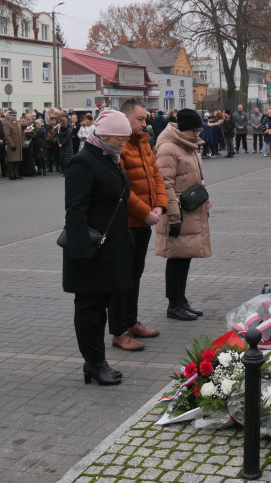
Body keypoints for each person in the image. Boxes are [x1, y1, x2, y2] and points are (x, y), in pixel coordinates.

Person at [61, 108, 134, 387]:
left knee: (102, 305)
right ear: (103, 135)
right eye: (119, 139)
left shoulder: (108, 157)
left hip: (109, 249)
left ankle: (97, 361)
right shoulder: (83, 162)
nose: (122, 144)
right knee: (90, 309)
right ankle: (94, 363)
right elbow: (75, 211)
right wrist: (81, 254)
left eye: (125, 139)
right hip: (89, 252)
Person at [110, 99, 168, 352]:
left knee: (135, 275)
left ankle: (131, 322)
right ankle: (119, 331)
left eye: (146, 119)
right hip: (126, 224)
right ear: (125, 119)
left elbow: (156, 175)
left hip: (144, 222)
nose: (145, 123)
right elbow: (122, 188)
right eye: (140, 119)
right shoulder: (119, 147)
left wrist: (159, 205)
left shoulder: (144, 143)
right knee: (121, 279)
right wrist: (146, 212)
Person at [155, 108, 210, 322]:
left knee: (185, 256)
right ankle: (173, 304)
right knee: (176, 258)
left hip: (192, 209)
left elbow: (199, 179)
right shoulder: (169, 148)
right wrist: (173, 216)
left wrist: (207, 203)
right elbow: (164, 183)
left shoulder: (190, 146)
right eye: (194, 130)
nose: (198, 134)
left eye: (199, 130)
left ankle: (182, 299)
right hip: (177, 211)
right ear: (183, 129)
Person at [3, 111, 24, 180]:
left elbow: (21, 134)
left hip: (19, 144)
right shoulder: (7, 124)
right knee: (12, 160)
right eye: (12, 115)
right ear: (9, 116)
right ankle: (11, 174)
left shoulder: (18, 123)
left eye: (15, 115)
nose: (14, 117)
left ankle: (16, 174)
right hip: (12, 145)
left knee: (18, 160)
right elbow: (7, 135)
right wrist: (12, 144)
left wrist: (23, 144)